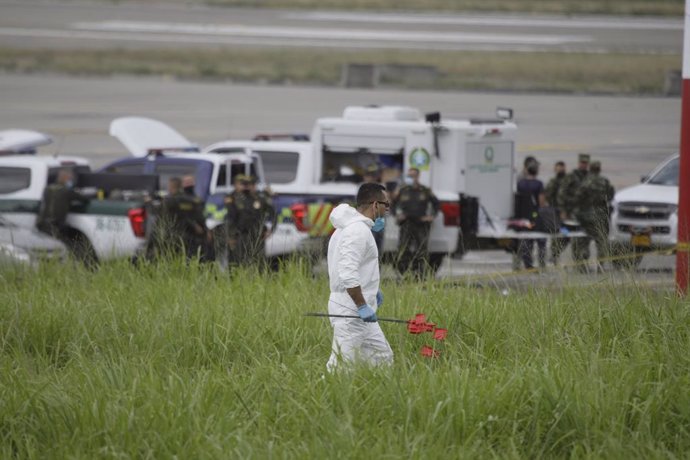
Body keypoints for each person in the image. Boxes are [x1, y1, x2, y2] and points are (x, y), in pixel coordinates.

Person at [326, 182, 393, 372]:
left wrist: (372, 291)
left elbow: (355, 268)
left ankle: (374, 398)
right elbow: (347, 273)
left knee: (381, 357)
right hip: (351, 310)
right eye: (385, 205)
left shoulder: (352, 229)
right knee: (341, 366)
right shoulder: (357, 231)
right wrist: (362, 305)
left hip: (360, 307)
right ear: (374, 205)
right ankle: (327, 397)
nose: (387, 209)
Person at [391, 167, 439, 276]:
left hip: (421, 223)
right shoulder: (402, 190)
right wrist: (397, 215)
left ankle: (420, 273)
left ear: (418, 176)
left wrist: (431, 216)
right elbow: (393, 204)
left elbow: (436, 204)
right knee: (403, 249)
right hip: (406, 223)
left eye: (412, 176)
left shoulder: (425, 190)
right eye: (409, 176)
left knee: (421, 249)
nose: (410, 178)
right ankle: (403, 273)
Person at [224, 174, 276, 268]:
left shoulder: (260, 198)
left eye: (251, 184)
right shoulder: (235, 199)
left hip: (258, 236)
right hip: (241, 236)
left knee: (259, 264)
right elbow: (231, 218)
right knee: (238, 263)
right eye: (245, 184)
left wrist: (271, 230)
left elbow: (273, 214)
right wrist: (230, 236)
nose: (248, 187)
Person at [36, 168, 89, 257]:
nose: (71, 181)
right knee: (64, 247)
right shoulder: (66, 191)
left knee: (45, 246)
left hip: (42, 224)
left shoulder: (48, 189)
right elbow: (84, 200)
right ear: (65, 178)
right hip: (56, 225)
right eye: (70, 179)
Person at [575, 161, 615, 272]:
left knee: (584, 241)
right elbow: (611, 195)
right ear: (599, 169)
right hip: (601, 215)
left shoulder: (585, 182)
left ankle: (583, 264)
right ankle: (600, 266)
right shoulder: (604, 181)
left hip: (586, 215)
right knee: (601, 241)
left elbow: (578, 197)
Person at [155, 177, 208, 261]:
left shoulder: (171, 201)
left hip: (177, 235)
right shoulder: (191, 199)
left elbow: (163, 218)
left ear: (171, 186)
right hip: (188, 235)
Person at [557, 153, 591, 271]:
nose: (584, 165)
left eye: (586, 163)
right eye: (582, 163)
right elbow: (562, 192)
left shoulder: (590, 177)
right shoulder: (572, 176)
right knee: (574, 238)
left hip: (586, 213)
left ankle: (583, 263)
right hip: (573, 212)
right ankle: (578, 264)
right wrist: (562, 210)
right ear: (579, 163)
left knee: (585, 239)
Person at [515, 160, 547, 270]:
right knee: (541, 240)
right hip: (536, 216)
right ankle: (542, 264)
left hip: (524, 217)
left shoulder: (520, 184)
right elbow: (541, 202)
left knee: (526, 241)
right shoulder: (539, 184)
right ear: (536, 171)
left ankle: (528, 265)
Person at [182, 174, 213, 262]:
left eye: (190, 182)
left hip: (200, 234)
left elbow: (202, 216)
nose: (189, 185)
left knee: (203, 257)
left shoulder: (197, 199)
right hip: (187, 233)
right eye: (187, 182)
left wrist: (207, 230)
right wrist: (194, 226)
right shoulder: (181, 199)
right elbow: (184, 216)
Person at [544, 161, 568, 265]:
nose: (560, 170)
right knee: (555, 234)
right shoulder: (552, 182)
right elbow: (547, 196)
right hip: (555, 213)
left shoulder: (568, 181)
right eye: (558, 168)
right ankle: (554, 256)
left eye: (562, 168)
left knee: (567, 235)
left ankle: (556, 253)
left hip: (566, 213)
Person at [362, 164, 384, 255]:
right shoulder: (362, 189)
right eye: (368, 175)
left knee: (377, 245)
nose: (370, 178)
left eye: (372, 176)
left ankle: (376, 266)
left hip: (378, 220)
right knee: (368, 245)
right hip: (366, 220)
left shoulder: (380, 189)